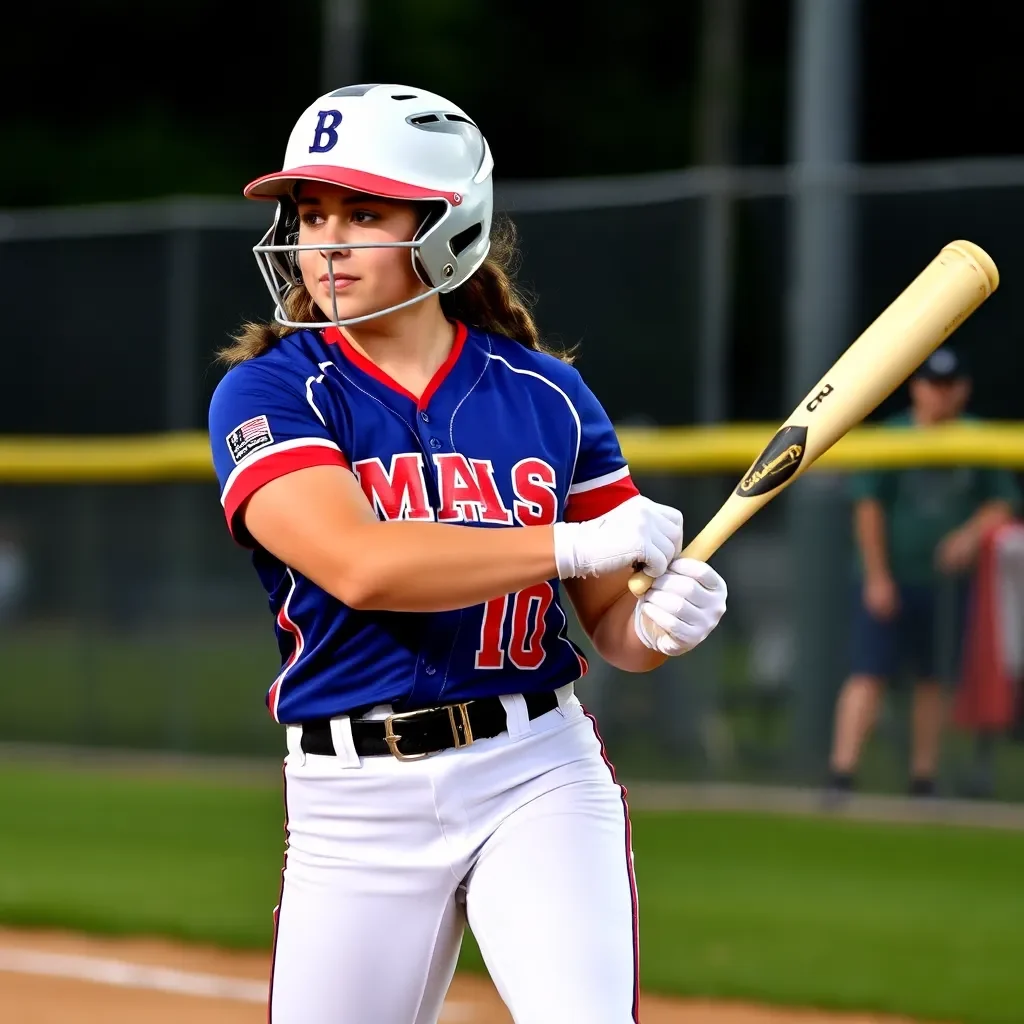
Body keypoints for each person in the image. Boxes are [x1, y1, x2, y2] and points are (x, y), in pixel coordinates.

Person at [207, 83, 728, 1024]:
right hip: (350, 803)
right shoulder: (269, 391)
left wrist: (658, 623)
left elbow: (611, 624)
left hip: (535, 772)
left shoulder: (548, 394)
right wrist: (569, 542)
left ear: (447, 226)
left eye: (363, 212)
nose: (325, 238)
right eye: (312, 210)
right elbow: (360, 563)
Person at [826, 346, 1021, 799]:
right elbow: (868, 508)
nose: (941, 395)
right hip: (890, 577)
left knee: (934, 679)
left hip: (947, 585)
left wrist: (969, 535)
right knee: (868, 672)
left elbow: (1001, 501)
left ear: (963, 390)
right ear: (917, 388)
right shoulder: (893, 438)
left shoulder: (978, 438)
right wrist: (877, 576)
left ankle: (923, 778)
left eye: (949, 386)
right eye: (933, 385)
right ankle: (841, 775)